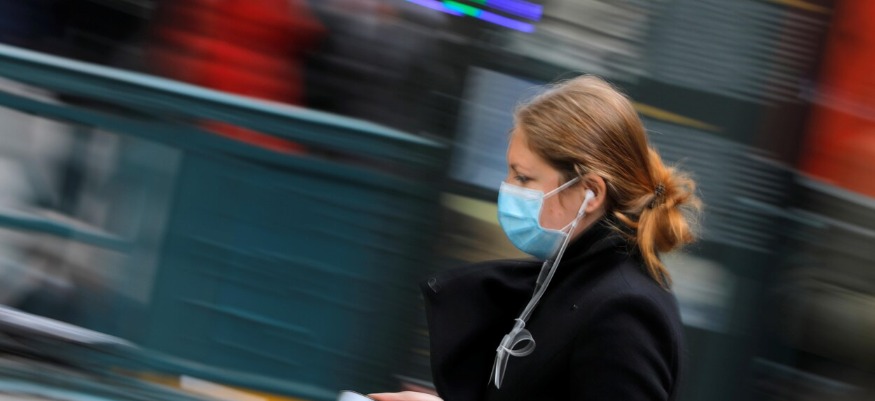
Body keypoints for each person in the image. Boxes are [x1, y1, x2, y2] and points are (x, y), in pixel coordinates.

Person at [370, 75, 701, 401]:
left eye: (523, 177)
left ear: (591, 192)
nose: (507, 189)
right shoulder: (568, 281)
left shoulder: (625, 311)